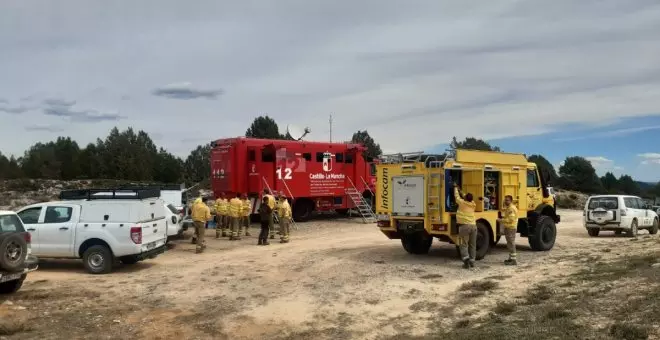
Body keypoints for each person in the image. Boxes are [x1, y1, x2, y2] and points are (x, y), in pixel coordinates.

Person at [454, 183, 477, 269]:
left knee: (463, 244)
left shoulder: (462, 203)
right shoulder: (473, 204)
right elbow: (465, 196)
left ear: (465, 198)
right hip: (473, 226)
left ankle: (466, 261)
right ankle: (472, 261)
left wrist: (456, 188)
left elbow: (457, 197)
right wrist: (461, 191)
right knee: (472, 245)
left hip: (464, 227)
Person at [497, 195, 518, 265]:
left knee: (511, 244)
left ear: (511, 201)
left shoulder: (511, 208)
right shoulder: (509, 207)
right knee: (509, 244)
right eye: (505, 200)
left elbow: (510, 219)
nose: (506, 201)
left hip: (511, 228)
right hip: (509, 227)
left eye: (507, 200)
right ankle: (511, 258)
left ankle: (514, 260)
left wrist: (501, 220)